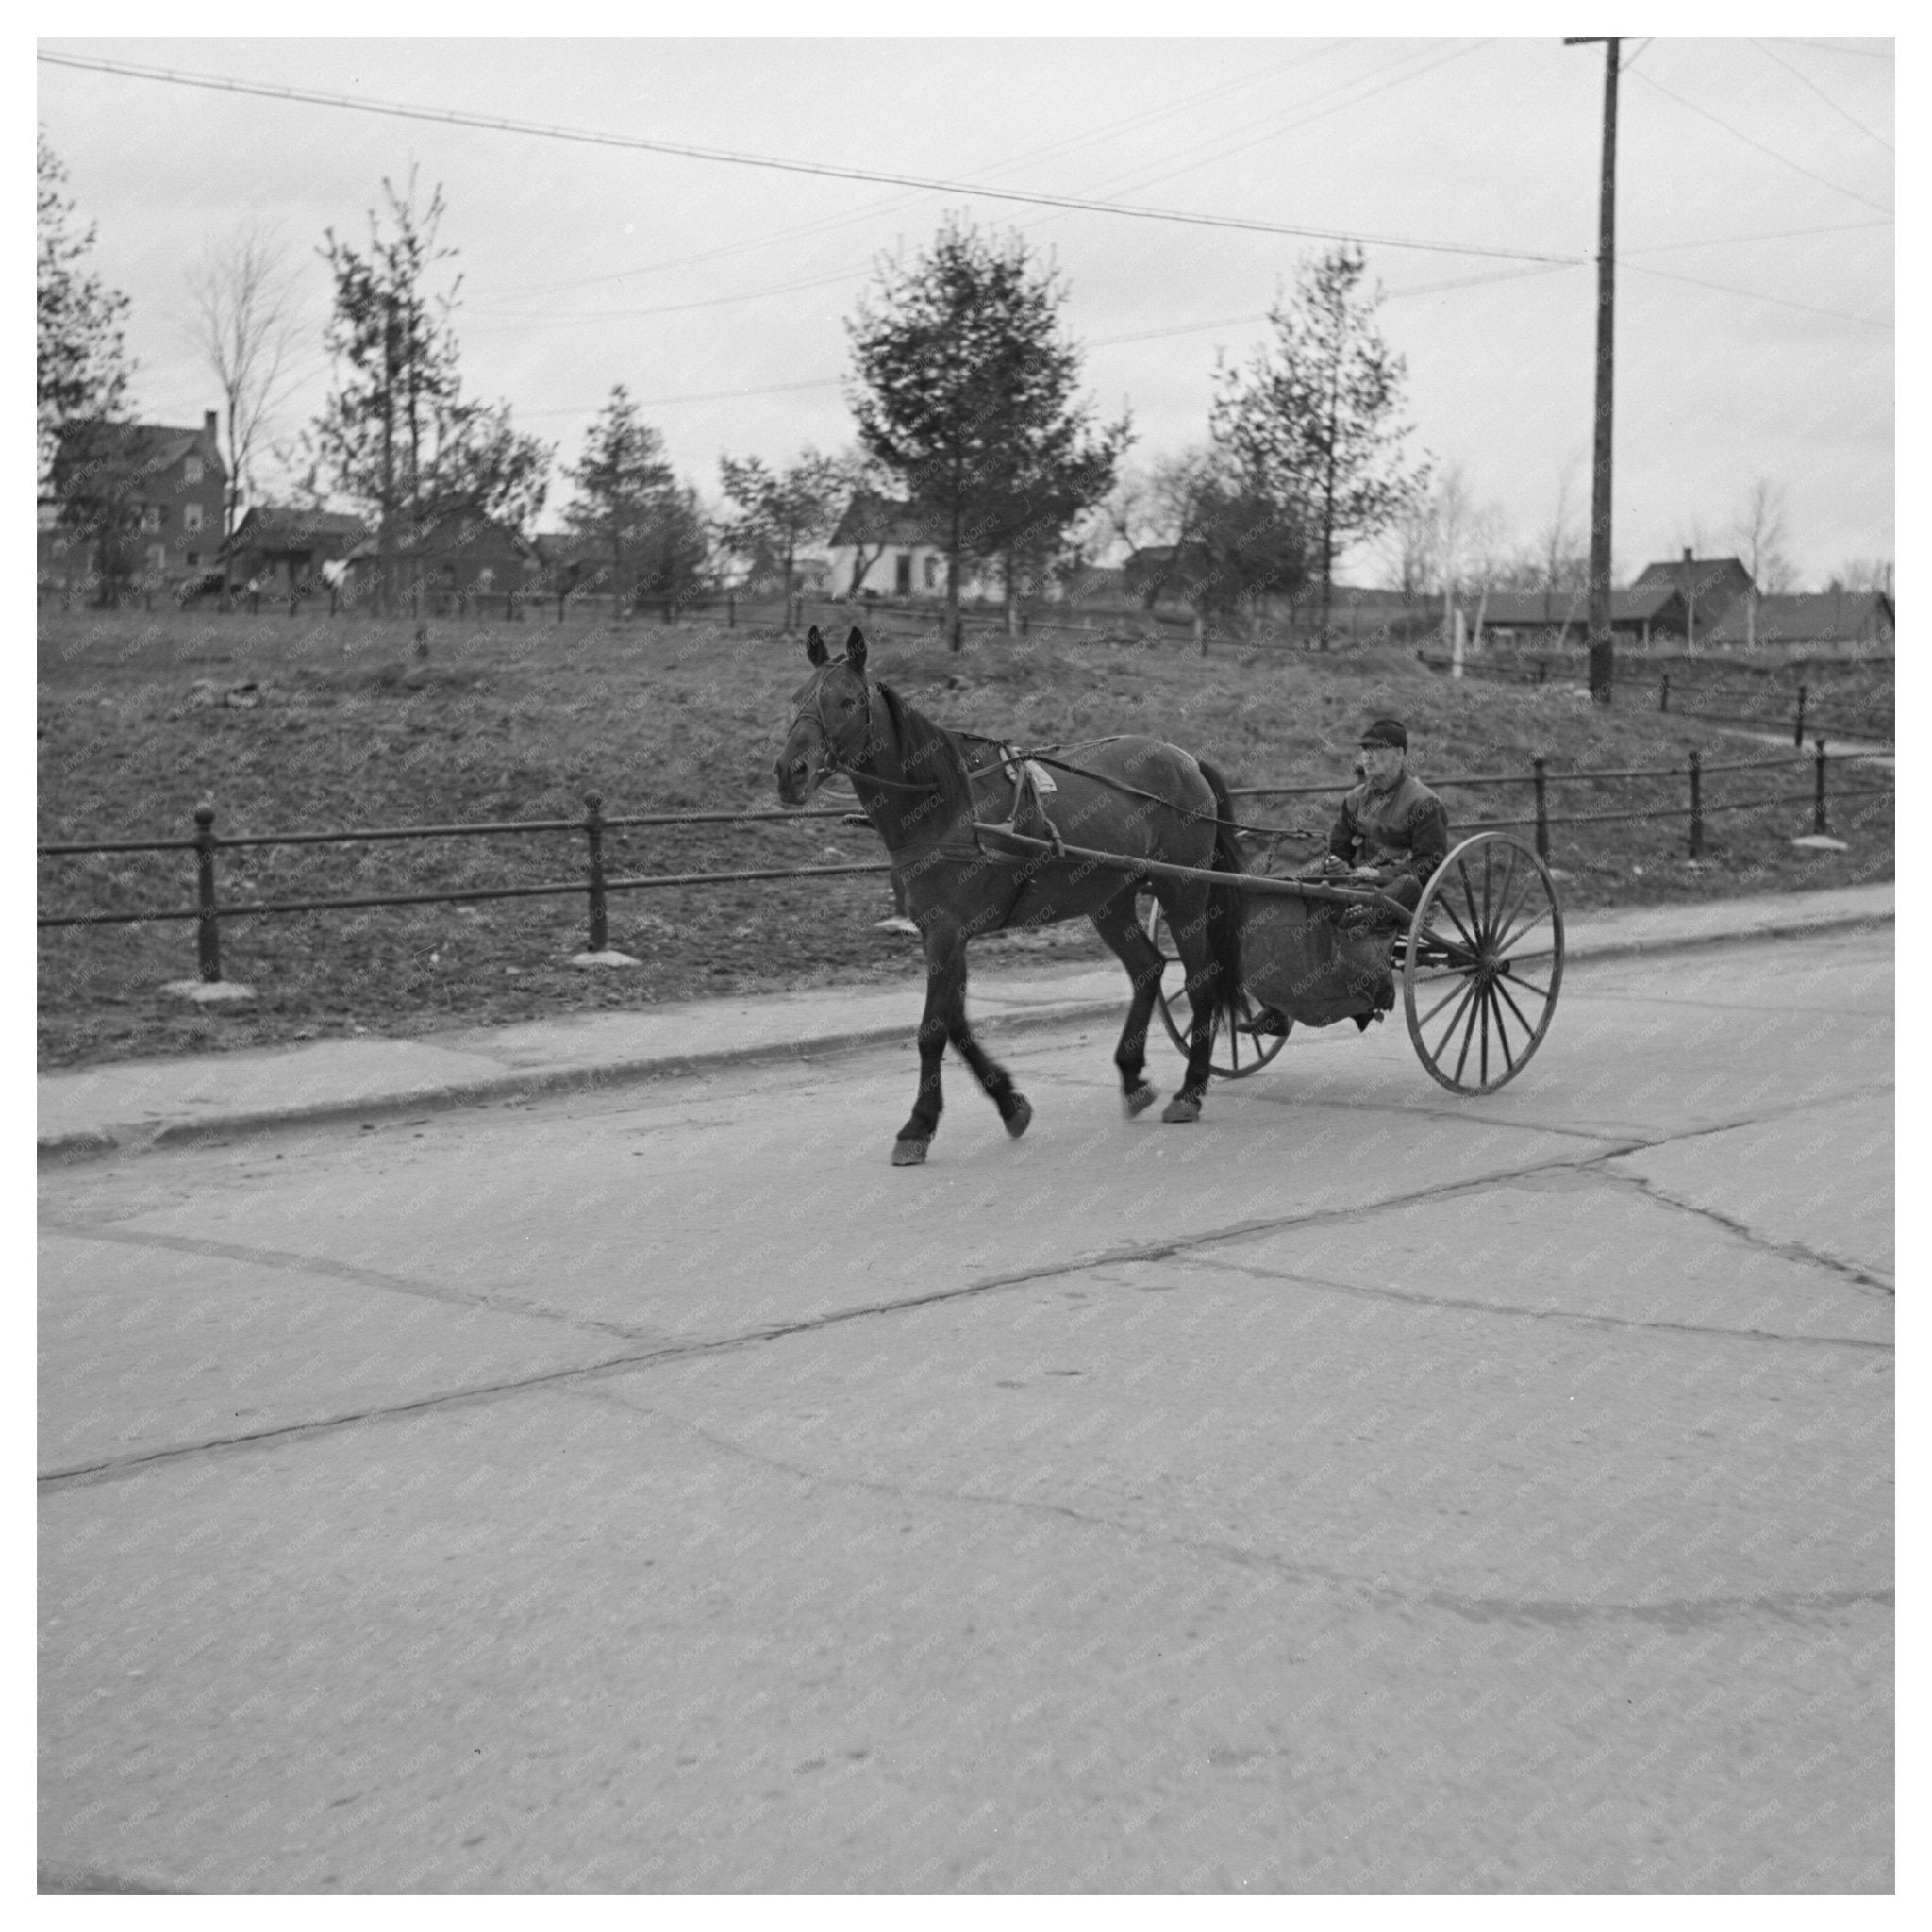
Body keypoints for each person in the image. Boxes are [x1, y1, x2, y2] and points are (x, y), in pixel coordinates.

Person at [1241, 718, 1450, 1034]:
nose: (1367, 756)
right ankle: (1279, 1006)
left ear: (1399, 754)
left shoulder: (1423, 802)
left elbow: (1429, 864)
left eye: (1377, 749)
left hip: (1401, 891)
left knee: (1403, 886)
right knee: (1299, 904)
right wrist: (1336, 864)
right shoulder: (1355, 799)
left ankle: (1363, 976)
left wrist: (1380, 873)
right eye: (1365, 750)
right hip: (1356, 885)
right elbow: (1337, 850)